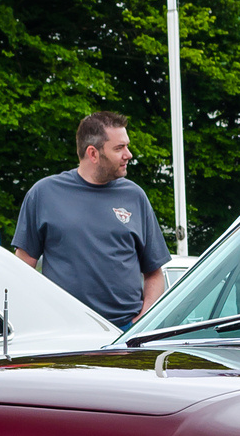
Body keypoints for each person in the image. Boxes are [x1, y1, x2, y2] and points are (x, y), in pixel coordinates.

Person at [12, 112, 170, 329]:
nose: (129, 154)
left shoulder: (135, 196)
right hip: (64, 331)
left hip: (124, 330)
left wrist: (143, 320)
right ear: (93, 153)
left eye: (127, 146)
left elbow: (154, 273)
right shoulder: (44, 194)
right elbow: (22, 268)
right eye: (119, 148)